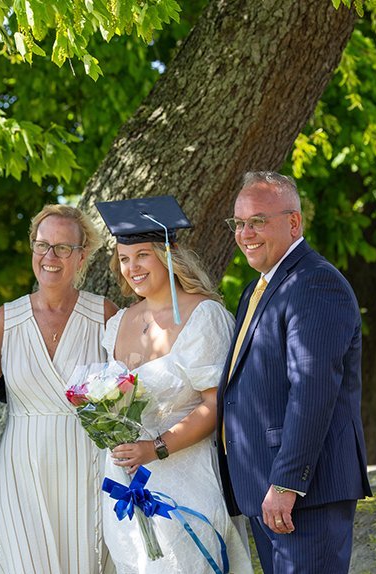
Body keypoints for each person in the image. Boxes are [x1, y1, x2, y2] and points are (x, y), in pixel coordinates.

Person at [216, 172, 372, 574]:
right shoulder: (255, 290)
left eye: (258, 221)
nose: (245, 233)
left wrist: (286, 483)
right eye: (239, 223)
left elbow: (313, 391)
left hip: (304, 493)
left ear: (294, 222)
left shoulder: (316, 283)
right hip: (263, 488)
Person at [95, 196, 253, 574]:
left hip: (187, 477)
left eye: (142, 255)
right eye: (124, 258)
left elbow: (217, 405)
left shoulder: (204, 315)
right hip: (124, 478)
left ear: (168, 253)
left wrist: (155, 448)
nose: (132, 268)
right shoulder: (119, 322)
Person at [0, 204, 119, 574]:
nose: (50, 256)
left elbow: (128, 400)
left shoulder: (105, 316)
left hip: (88, 471)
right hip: (21, 473)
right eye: (42, 245)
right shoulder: (3, 323)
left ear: (82, 256)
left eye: (63, 248)